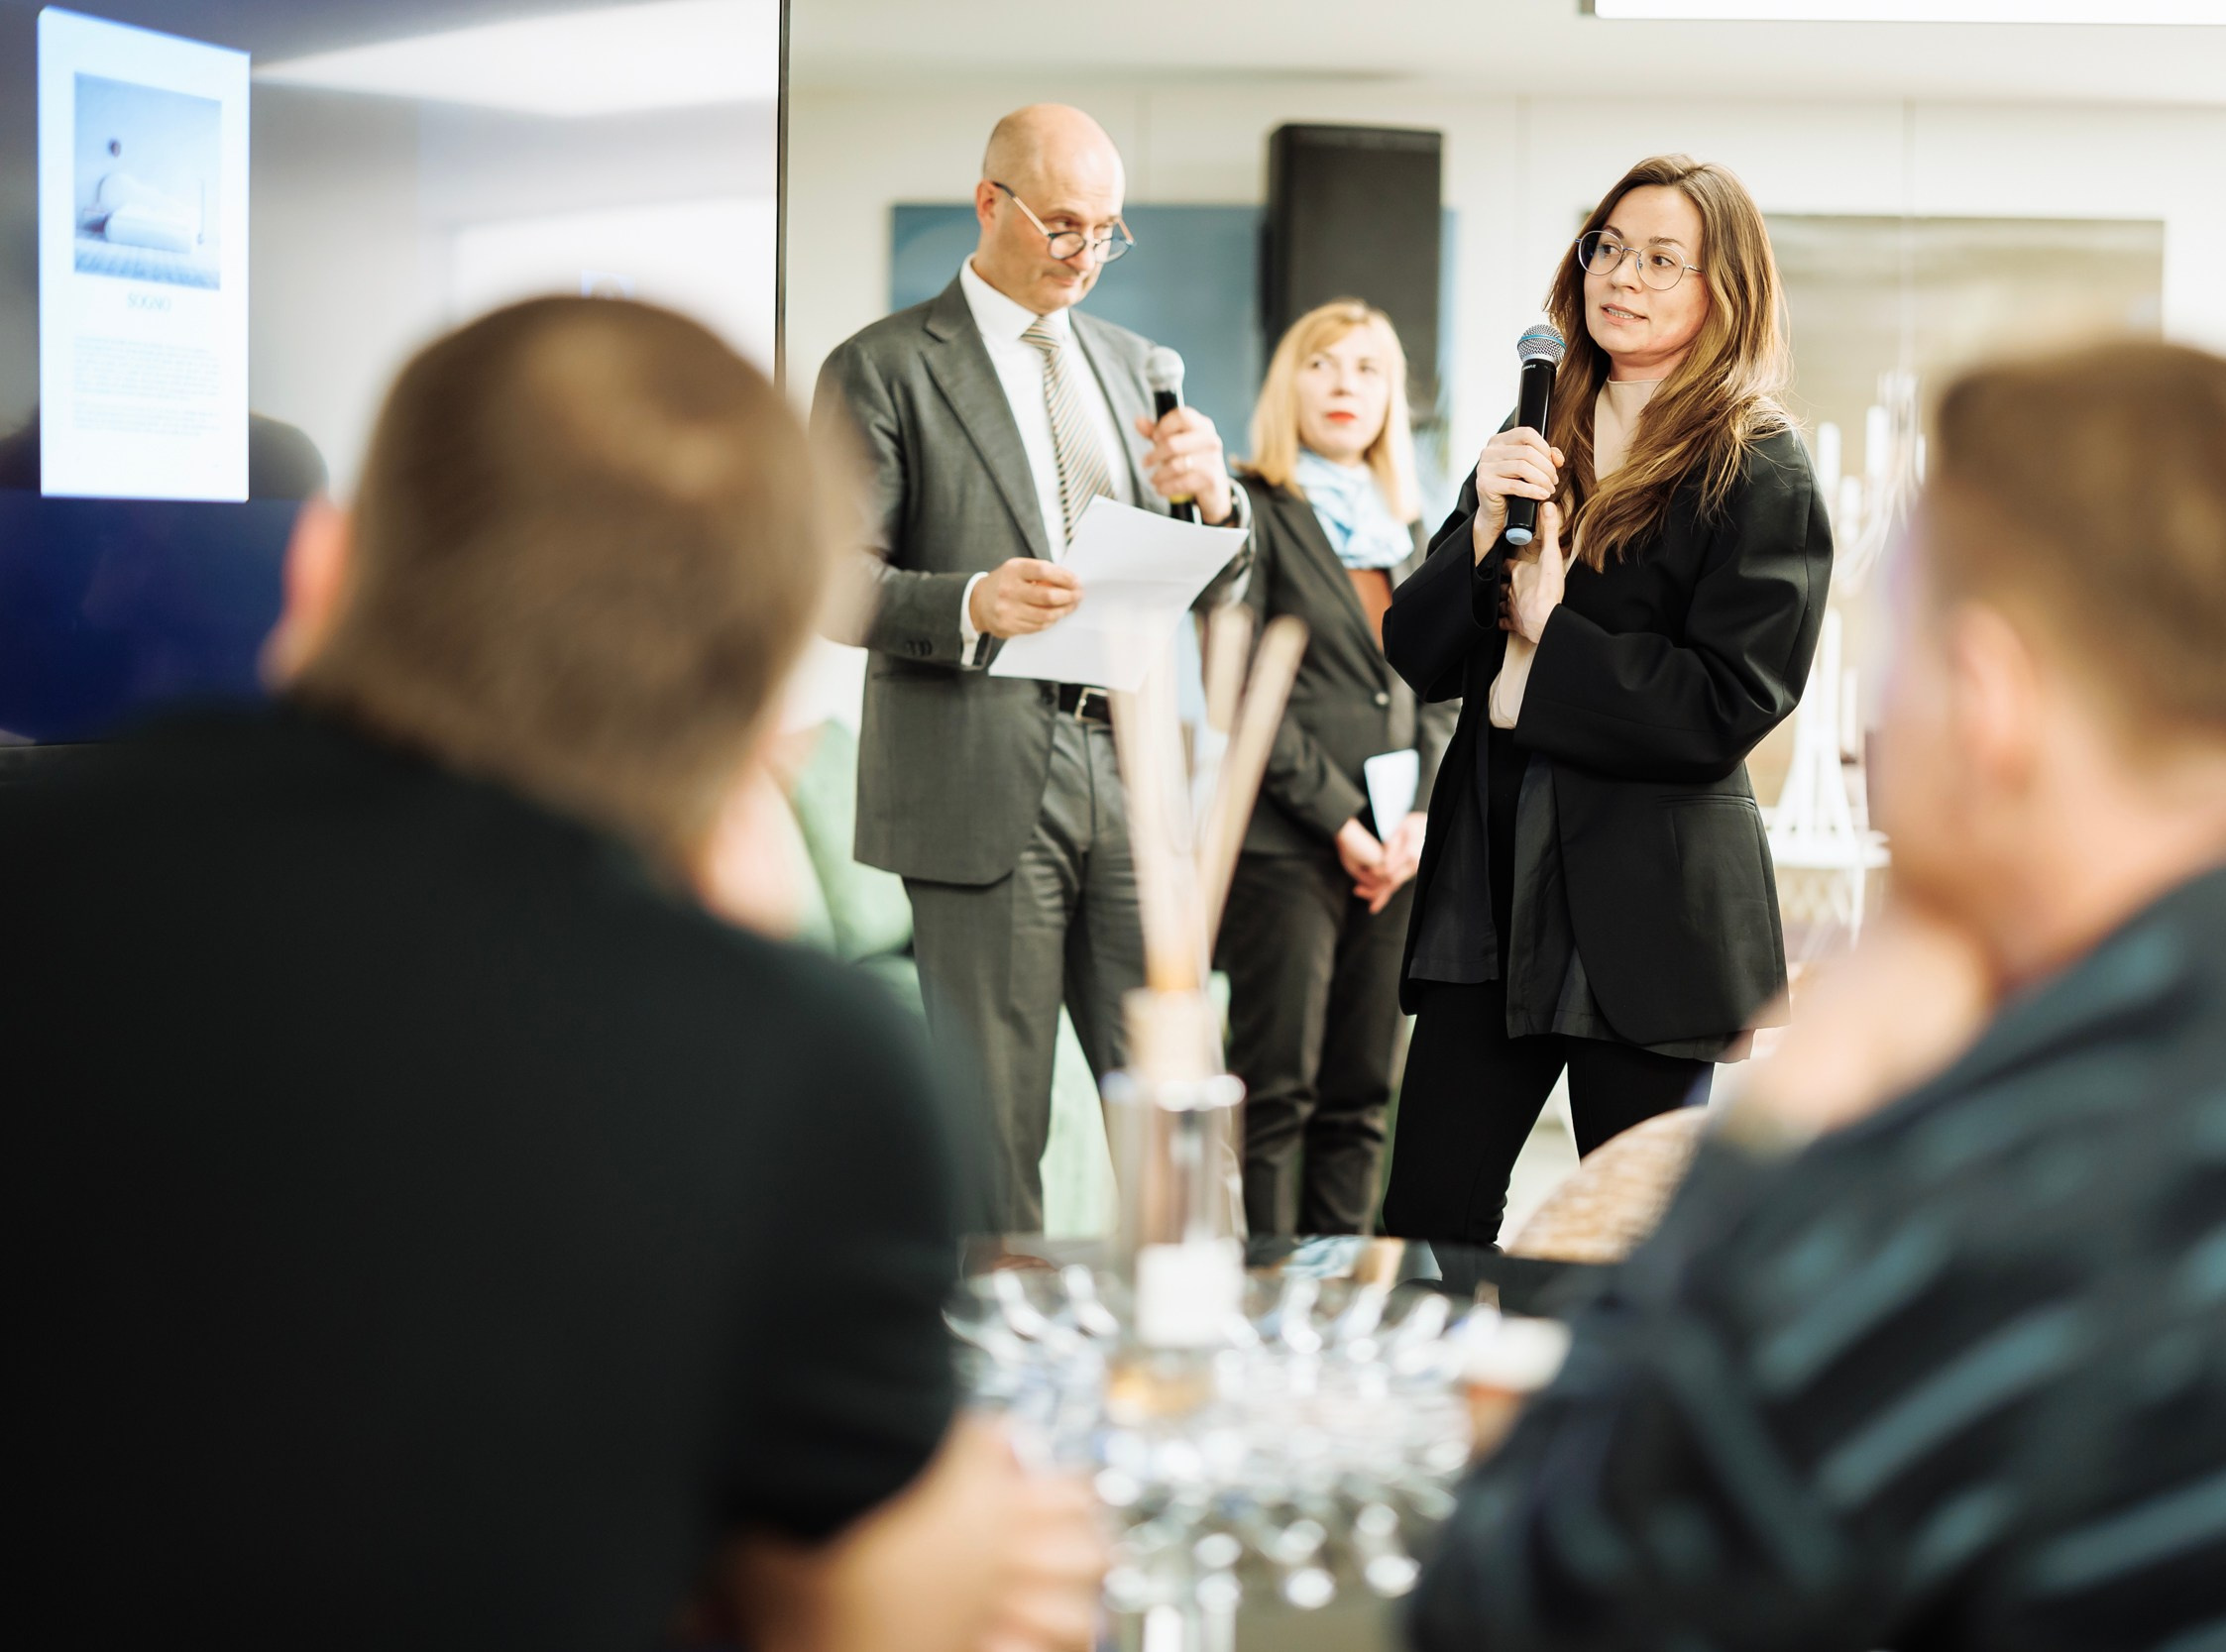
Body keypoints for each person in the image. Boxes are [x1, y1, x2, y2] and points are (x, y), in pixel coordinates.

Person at [6, 298, 1102, 1652]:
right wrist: (979, 1546)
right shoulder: (800, 1063)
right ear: (768, 691)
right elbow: (856, 1612)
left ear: (325, 570)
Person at [1407, 341, 2226, 1652]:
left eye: (1892, 653)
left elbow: (1512, 1610)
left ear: (1987, 699)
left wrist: (1778, 1131)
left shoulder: (1939, 1203)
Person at [1380, 155, 1832, 1246]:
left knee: (1628, 1246)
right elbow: (1420, 650)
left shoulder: (1757, 466)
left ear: (1723, 291)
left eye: (1661, 258)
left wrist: (1550, 628)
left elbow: (1727, 704)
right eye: (1608, 247)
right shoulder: (1534, 434)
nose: (1621, 276)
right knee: (1427, 1220)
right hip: (1491, 886)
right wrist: (1485, 531)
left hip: (1649, 904)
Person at [823, 103, 1251, 1234]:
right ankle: (999, 1391)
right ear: (989, 204)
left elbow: (1218, 583)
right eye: (1064, 225)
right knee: (994, 1137)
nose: (1084, 256)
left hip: (1129, 764)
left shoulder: (1128, 366)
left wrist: (1216, 500)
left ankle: (1182, 1367)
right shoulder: (881, 368)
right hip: (977, 767)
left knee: (1175, 1110)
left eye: (1107, 233)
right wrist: (970, 601)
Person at [1216, 299, 1455, 1239]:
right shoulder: (1253, 509)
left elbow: (1444, 685)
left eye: (1367, 369)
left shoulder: (1412, 526)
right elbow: (1243, 692)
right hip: (1288, 844)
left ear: (1392, 396)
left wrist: (1420, 821)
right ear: (1290, 384)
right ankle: (1271, 1305)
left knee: (1364, 1095)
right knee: (1278, 1093)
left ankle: (1341, 1304)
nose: (1346, 385)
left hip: (1399, 849)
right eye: (1323, 364)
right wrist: (1342, 823)